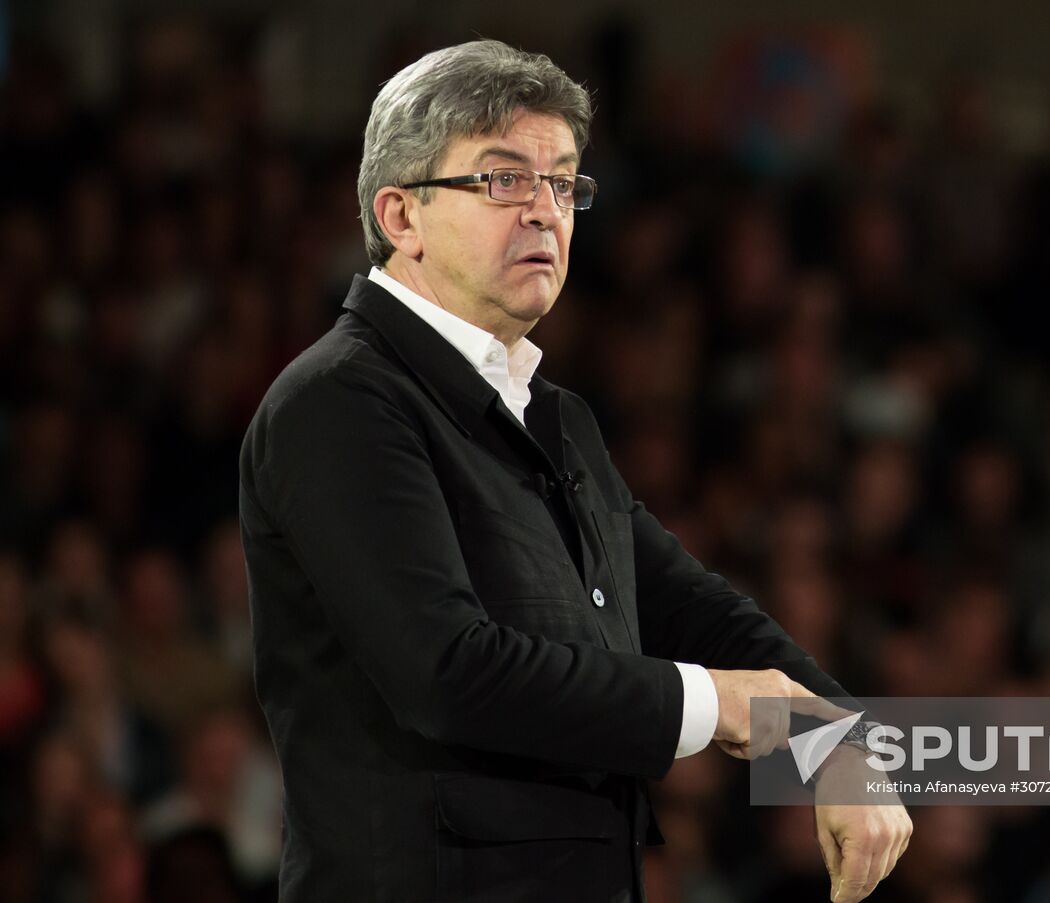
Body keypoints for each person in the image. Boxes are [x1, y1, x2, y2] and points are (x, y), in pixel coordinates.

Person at [238, 39, 910, 903]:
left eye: (563, 184)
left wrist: (835, 740)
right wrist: (716, 704)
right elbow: (449, 672)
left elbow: (687, 607)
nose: (545, 211)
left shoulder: (556, 417)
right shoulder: (338, 403)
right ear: (400, 216)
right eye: (503, 179)